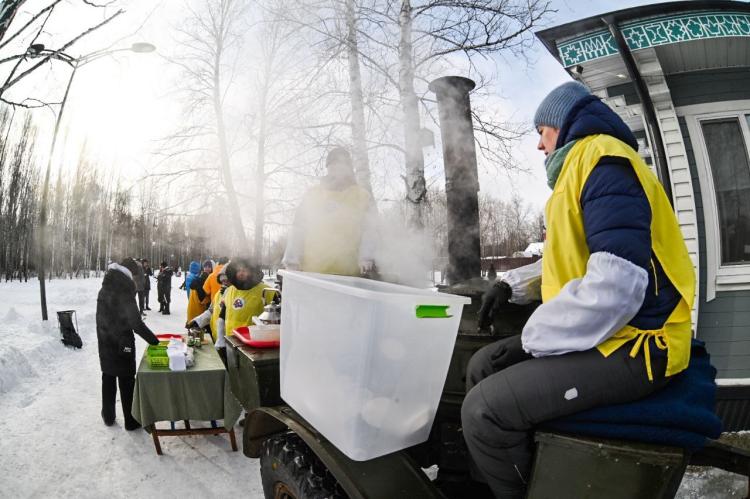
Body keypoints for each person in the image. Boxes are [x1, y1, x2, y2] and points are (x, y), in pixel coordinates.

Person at [460, 81, 695, 498]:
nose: (538, 145)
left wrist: (536, 338)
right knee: (483, 364)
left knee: (484, 412)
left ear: (564, 122)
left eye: (541, 132)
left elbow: (616, 285)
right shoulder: (578, 170)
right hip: (606, 333)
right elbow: (564, 258)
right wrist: (509, 286)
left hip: (639, 344)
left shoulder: (604, 162)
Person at [282, 147, 377, 276]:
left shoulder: (361, 196)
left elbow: (369, 230)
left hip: (349, 275)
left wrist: (366, 258)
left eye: (342, 166)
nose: (337, 170)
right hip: (312, 272)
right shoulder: (313, 194)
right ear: (328, 168)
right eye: (333, 165)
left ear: (349, 169)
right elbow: (299, 228)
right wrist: (291, 261)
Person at [96, 258, 159, 430]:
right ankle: (131, 421)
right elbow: (136, 323)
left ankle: (108, 416)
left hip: (105, 341)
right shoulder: (124, 290)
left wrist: (103, 337)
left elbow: (100, 318)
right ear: (129, 273)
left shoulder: (105, 287)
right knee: (126, 381)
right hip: (123, 344)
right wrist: (154, 341)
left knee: (108, 376)